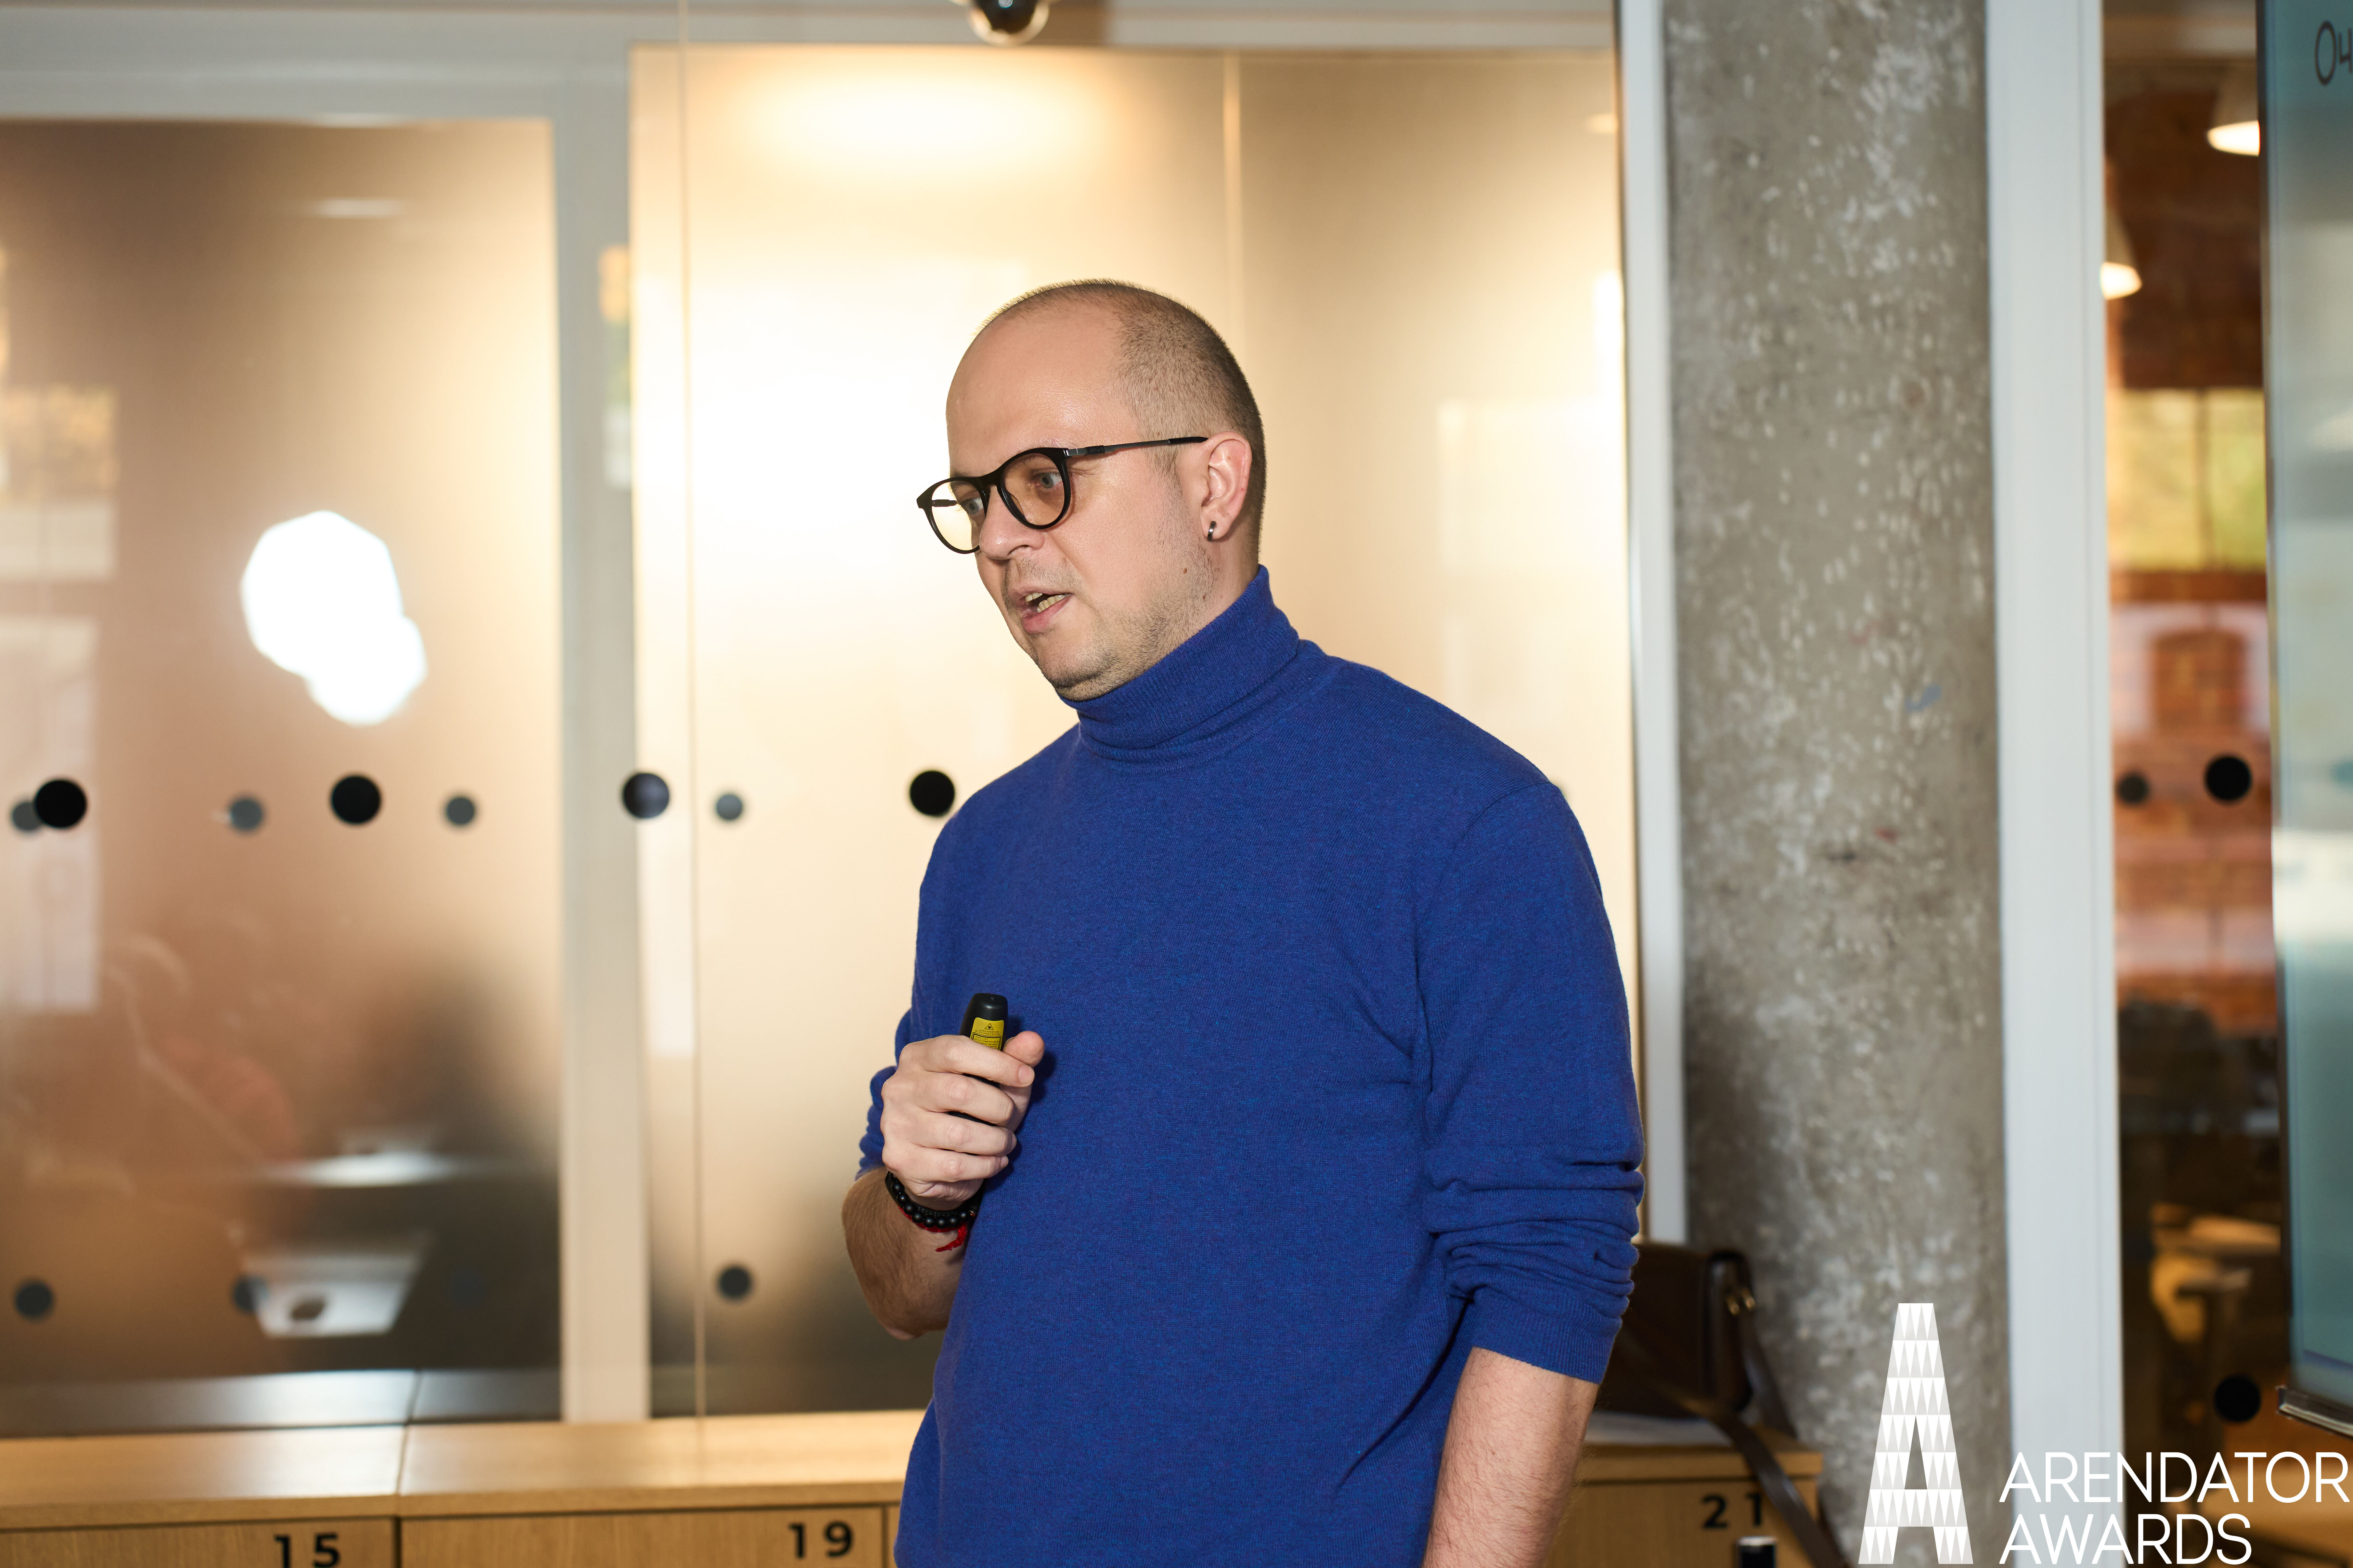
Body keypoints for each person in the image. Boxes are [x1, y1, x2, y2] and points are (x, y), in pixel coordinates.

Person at [842, 280, 1642, 1568]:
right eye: (975, 498)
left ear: (1214, 484)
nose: (997, 540)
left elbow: (1552, 1279)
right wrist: (918, 1194)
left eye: (1044, 480)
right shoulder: (985, 846)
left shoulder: (1469, 823)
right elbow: (901, 1297)